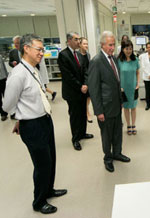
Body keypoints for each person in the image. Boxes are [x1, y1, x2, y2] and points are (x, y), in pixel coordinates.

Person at [3, 33, 67, 214]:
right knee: (42, 164)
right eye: (39, 49)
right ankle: (39, 202)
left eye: (42, 49)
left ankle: (48, 190)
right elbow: (7, 105)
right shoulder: (18, 75)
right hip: (32, 126)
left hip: (44, 120)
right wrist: (19, 117)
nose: (42, 53)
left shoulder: (33, 69)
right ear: (26, 49)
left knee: (51, 159)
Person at [88, 31, 131, 173]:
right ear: (102, 45)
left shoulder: (114, 59)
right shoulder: (96, 61)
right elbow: (94, 89)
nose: (113, 47)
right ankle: (108, 158)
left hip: (116, 104)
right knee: (107, 135)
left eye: (114, 44)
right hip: (105, 107)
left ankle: (117, 153)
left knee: (117, 131)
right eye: (110, 45)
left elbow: (116, 82)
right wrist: (98, 111)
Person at [58, 32, 93, 151]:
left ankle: (83, 133)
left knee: (83, 113)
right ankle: (75, 138)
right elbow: (68, 76)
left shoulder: (79, 54)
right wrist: (80, 86)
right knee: (74, 116)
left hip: (82, 90)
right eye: (76, 39)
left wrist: (86, 83)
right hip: (72, 92)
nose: (79, 41)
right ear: (69, 40)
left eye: (79, 39)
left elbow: (85, 71)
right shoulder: (63, 55)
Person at [118, 40, 140, 135]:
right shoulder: (119, 61)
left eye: (130, 48)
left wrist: (138, 83)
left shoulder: (135, 60)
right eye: (127, 48)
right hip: (123, 88)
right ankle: (128, 125)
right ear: (123, 49)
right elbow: (117, 74)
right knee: (126, 107)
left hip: (133, 87)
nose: (129, 51)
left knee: (133, 107)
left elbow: (138, 72)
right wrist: (119, 86)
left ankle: (133, 125)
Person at [78, 37, 92, 123]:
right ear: (79, 45)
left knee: (89, 97)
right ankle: (87, 113)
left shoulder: (88, 54)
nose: (86, 45)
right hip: (81, 78)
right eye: (84, 44)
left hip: (88, 78)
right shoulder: (77, 55)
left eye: (87, 44)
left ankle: (86, 110)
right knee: (84, 97)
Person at [8, 35, 21, 120]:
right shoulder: (12, 52)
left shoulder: (27, 50)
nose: (16, 45)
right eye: (14, 44)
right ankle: (14, 112)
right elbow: (9, 62)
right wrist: (12, 63)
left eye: (17, 43)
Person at [0, 54, 8, 121]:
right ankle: (3, 114)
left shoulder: (0, 56)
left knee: (6, 96)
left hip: (2, 78)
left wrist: (6, 75)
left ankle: (11, 112)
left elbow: (3, 66)